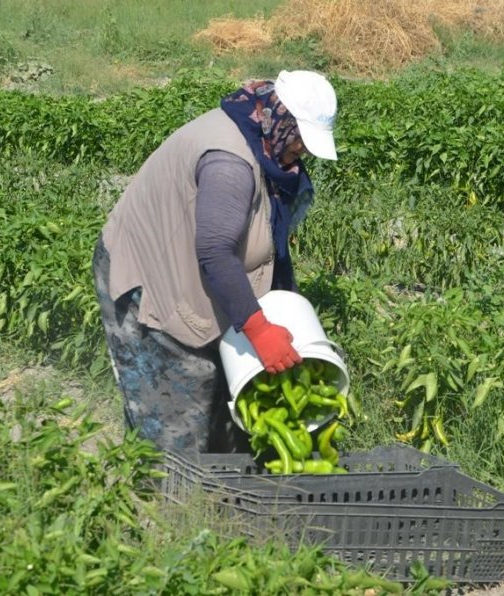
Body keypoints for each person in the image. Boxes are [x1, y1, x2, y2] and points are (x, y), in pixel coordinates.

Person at [93, 70, 338, 463]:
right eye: (300, 142)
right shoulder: (230, 164)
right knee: (173, 412)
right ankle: (159, 509)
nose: (303, 154)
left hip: (188, 269)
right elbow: (215, 252)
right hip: (150, 280)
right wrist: (257, 328)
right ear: (282, 120)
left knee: (220, 399)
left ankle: (208, 497)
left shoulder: (262, 137)